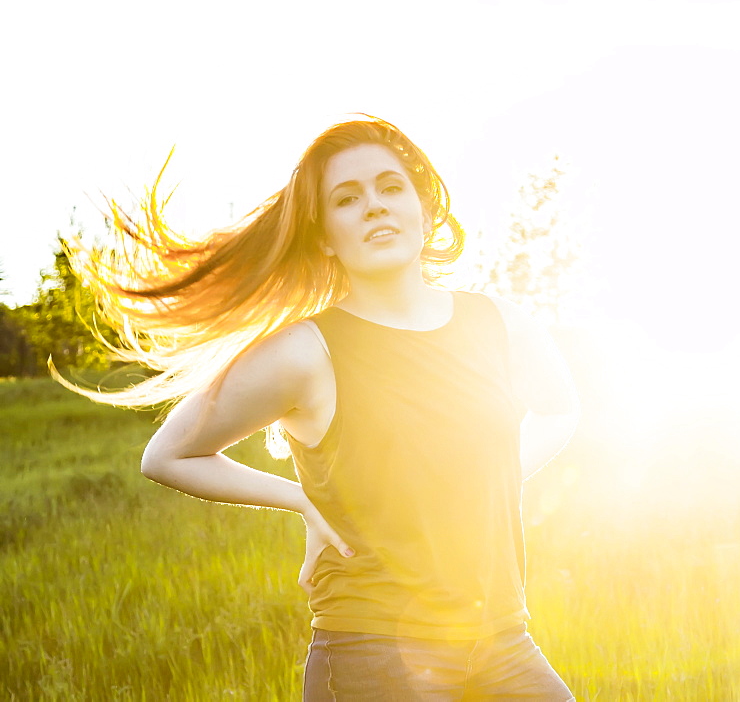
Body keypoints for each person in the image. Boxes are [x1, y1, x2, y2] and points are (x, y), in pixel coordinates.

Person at [68, 116, 579, 700]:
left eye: (391, 188)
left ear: (424, 207)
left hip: (502, 637)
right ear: (324, 235)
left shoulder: (498, 322)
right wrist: (301, 499)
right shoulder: (305, 351)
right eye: (347, 199)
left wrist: (492, 476)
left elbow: (558, 410)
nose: (375, 207)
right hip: (374, 651)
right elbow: (169, 454)